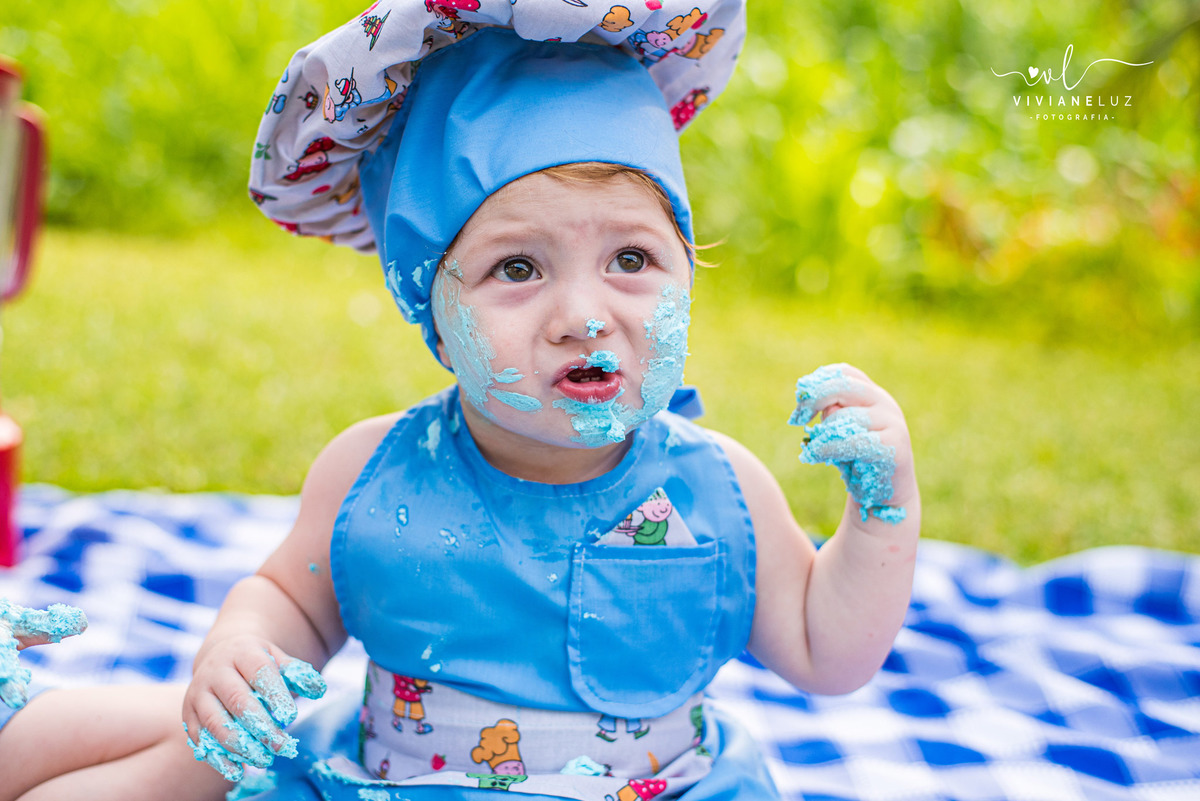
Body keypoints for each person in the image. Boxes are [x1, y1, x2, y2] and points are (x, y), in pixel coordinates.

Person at [0, 2, 920, 799]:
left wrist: (880, 518)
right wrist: (243, 646)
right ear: (428, 308)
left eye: (632, 259)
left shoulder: (719, 489)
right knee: (183, 762)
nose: (583, 315)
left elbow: (825, 649)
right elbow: (292, 598)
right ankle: (31, 737)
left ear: (689, 269)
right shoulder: (372, 475)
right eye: (517, 267)